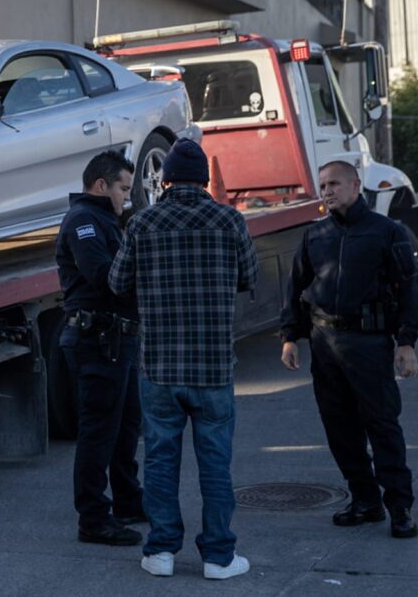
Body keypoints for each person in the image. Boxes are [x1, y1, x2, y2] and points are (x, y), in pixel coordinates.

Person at [109, 139, 258, 580]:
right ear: (205, 180)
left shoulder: (143, 223)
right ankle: (217, 556)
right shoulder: (230, 220)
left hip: (159, 366)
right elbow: (249, 276)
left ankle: (160, 552)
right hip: (212, 367)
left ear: (166, 178)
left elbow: (117, 282)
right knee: (215, 463)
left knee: (159, 459)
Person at [280, 160, 418, 539]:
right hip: (325, 344)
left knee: (382, 425)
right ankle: (365, 501)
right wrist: (290, 336)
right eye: (322, 185)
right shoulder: (315, 236)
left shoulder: (386, 232)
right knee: (340, 428)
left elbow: (409, 289)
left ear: (356, 185)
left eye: (334, 184)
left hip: (370, 345)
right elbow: (295, 289)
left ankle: (400, 507)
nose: (327, 191)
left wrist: (406, 341)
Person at [56, 150, 145, 547]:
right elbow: (103, 276)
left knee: (126, 427)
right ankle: (93, 518)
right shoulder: (84, 221)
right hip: (97, 340)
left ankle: (127, 502)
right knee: (99, 432)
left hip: (117, 339)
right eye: (123, 189)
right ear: (100, 186)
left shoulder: (108, 219)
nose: (128, 196)